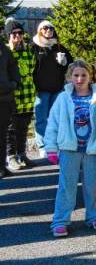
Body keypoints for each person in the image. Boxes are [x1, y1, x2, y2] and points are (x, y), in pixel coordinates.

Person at [45, 60, 96, 237]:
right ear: (69, 77)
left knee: (92, 187)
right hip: (69, 150)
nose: (80, 78)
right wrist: (51, 147)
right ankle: (60, 221)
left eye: (84, 75)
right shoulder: (63, 98)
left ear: (91, 76)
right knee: (66, 186)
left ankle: (93, 217)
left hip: (93, 150)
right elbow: (53, 123)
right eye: (76, 75)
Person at [31, 20, 72, 157]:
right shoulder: (34, 47)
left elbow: (71, 65)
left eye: (51, 28)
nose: (49, 30)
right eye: (45, 28)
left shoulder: (58, 47)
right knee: (41, 119)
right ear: (40, 30)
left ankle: (54, 145)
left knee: (55, 119)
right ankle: (43, 146)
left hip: (57, 89)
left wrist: (65, 62)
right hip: (41, 90)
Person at [5, 18, 34, 173]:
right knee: (11, 129)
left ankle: (22, 154)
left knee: (24, 127)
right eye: (14, 33)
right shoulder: (5, 53)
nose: (17, 36)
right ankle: (11, 157)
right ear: (8, 35)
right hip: (12, 96)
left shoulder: (28, 51)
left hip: (28, 95)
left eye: (20, 33)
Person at [0, 29, 21, 179]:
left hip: (5, 99)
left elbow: (13, 68)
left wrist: (13, 84)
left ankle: (1, 166)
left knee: (2, 134)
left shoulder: (4, 50)